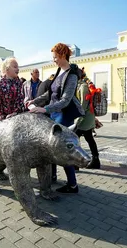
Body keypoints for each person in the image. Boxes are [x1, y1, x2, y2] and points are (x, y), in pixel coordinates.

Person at [28, 43, 84, 194]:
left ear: (62, 55)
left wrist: (44, 108)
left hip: (64, 115)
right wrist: (35, 101)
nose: (53, 60)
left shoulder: (71, 75)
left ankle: (72, 185)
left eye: (55, 57)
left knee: (62, 149)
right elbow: (50, 94)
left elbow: (65, 100)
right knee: (51, 145)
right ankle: (52, 176)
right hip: (54, 113)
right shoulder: (59, 71)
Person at [74, 72, 101, 169]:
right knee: (89, 138)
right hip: (87, 117)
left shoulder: (83, 86)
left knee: (74, 138)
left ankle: (76, 162)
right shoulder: (81, 85)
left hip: (85, 118)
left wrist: (78, 118)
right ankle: (95, 160)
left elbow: (83, 103)